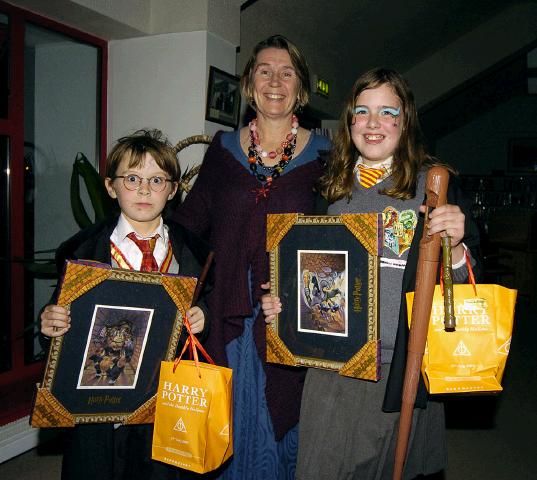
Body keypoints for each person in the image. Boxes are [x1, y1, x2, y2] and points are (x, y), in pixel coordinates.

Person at [262, 68, 482, 479]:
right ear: (349, 122)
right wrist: (283, 303)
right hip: (335, 366)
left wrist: (455, 246)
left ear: (405, 120)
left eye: (387, 112)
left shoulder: (434, 186)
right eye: (362, 112)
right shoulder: (327, 187)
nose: (373, 123)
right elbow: (303, 271)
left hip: (403, 364)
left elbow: (470, 285)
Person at [173, 35, 331, 478]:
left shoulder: (326, 157)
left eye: (287, 72)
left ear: (301, 89)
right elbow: (188, 227)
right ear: (248, 83)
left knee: (279, 421)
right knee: (227, 419)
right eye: (264, 70)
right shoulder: (223, 151)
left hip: (288, 314)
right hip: (226, 308)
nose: (275, 81)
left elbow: (344, 232)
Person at [40, 129, 210, 480]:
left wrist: (203, 315)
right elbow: (57, 317)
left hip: (164, 402)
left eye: (157, 180)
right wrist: (50, 323)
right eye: (132, 178)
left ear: (173, 189)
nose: (144, 190)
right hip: (100, 407)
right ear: (110, 186)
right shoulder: (81, 251)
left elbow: (211, 300)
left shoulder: (195, 251)